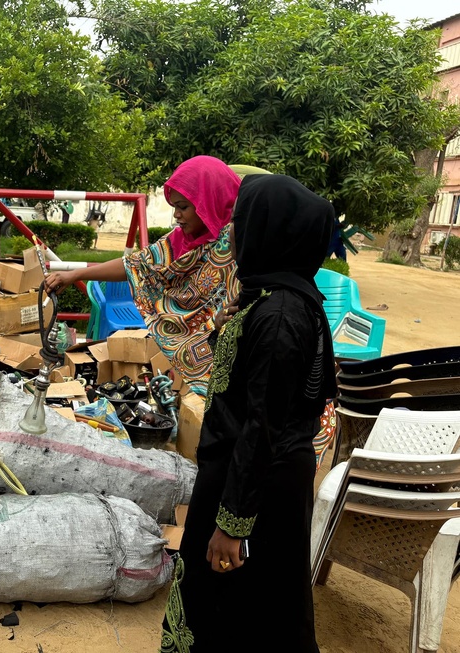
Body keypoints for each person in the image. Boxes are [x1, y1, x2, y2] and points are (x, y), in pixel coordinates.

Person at [159, 174, 336, 653]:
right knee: (248, 605)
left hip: (257, 486)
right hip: (247, 475)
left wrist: (232, 525)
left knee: (241, 606)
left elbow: (264, 426)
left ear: (268, 231)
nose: (230, 231)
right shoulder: (271, 300)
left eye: (239, 221)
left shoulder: (280, 316)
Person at [45, 156, 241, 395]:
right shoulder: (179, 241)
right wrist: (74, 274)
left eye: (184, 207)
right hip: (190, 357)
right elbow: (134, 265)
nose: (177, 216)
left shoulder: (237, 241)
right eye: (175, 207)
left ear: (209, 202)